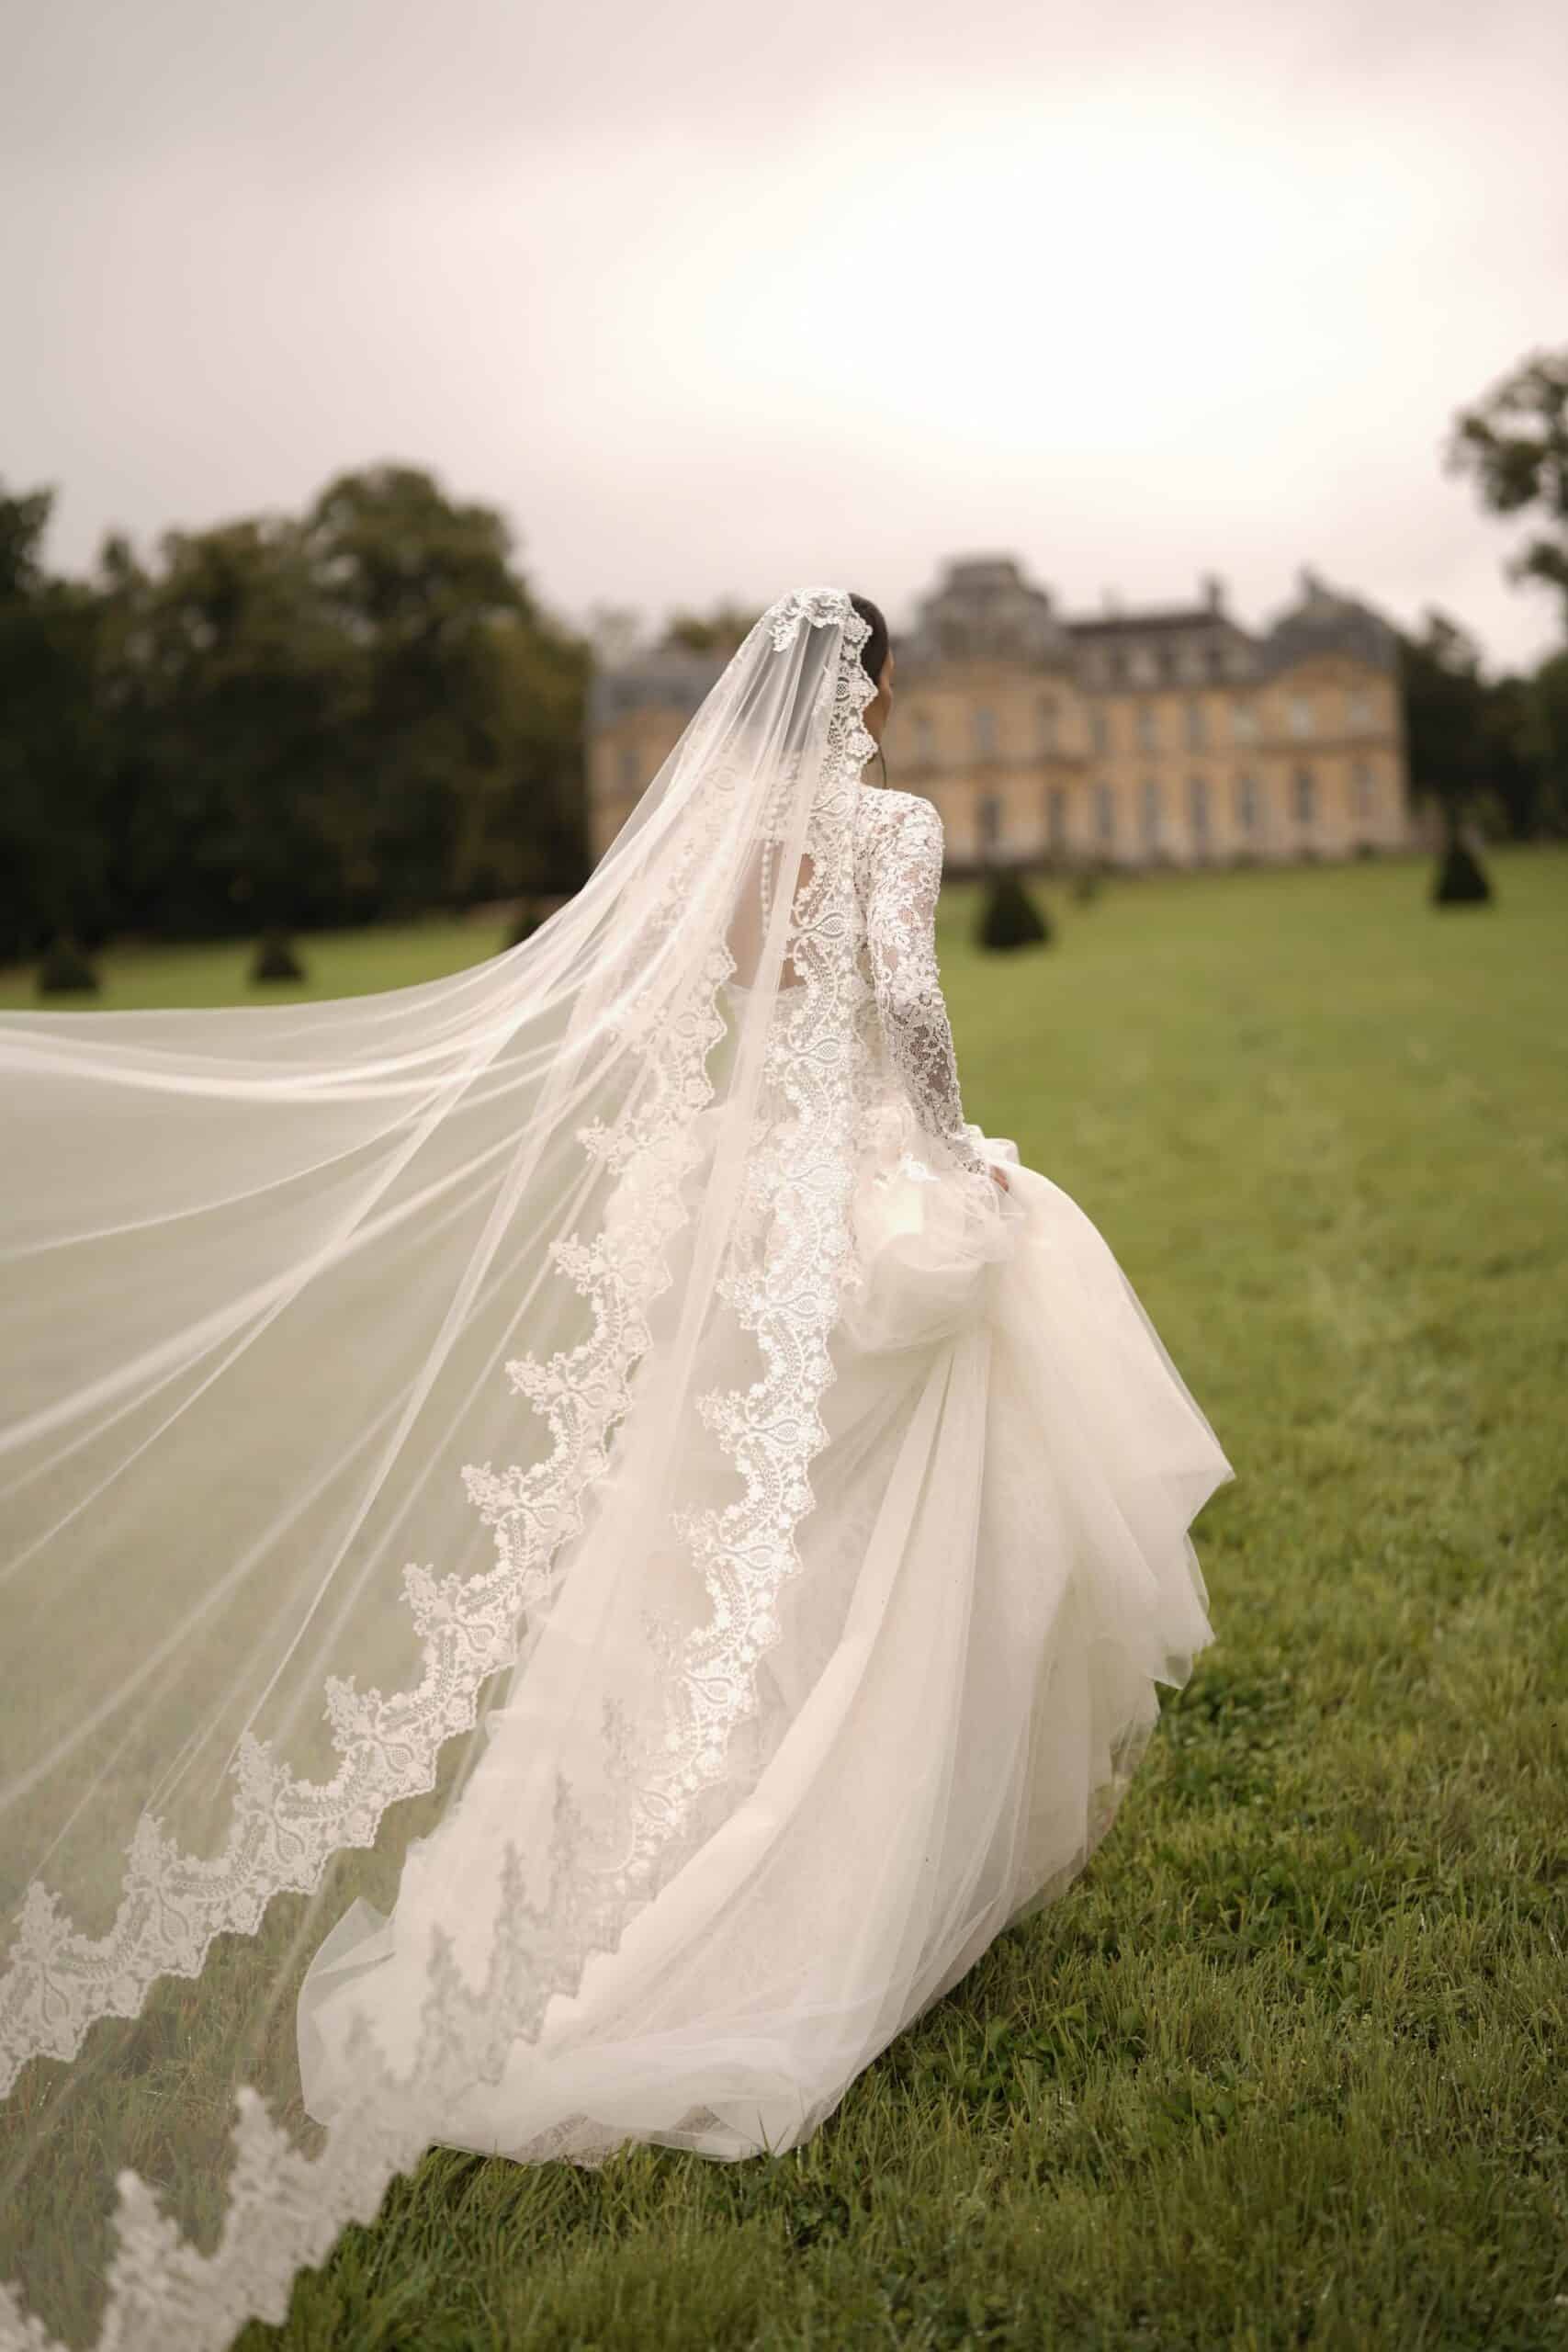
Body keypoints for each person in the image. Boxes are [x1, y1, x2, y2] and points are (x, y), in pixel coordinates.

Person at [0, 586, 1233, 2346]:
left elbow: (703, 1025)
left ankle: (651, 1844)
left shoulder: (721, 843)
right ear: (875, 694)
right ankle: (847, 1859)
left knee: (728, 1536)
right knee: (881, 1526)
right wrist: (962, 1169)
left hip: (751, 1205)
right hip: (872, 1191)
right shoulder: (894, 828)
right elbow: (910, 1018)